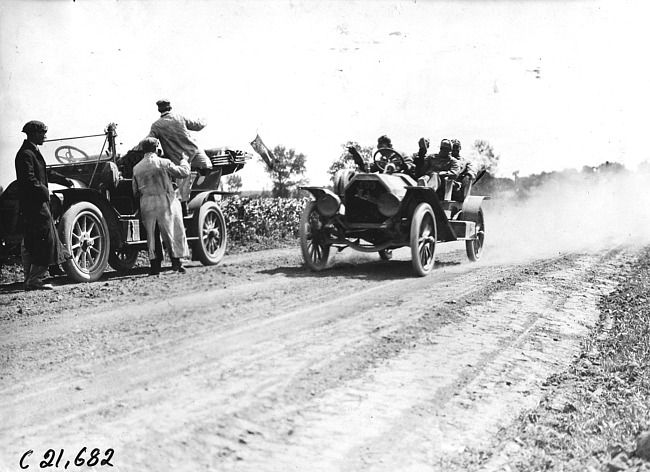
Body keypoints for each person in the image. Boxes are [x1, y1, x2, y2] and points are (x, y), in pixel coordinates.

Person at [15, 120, 73, 290]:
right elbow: (29, 180)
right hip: (35, 205)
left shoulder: (31, 152)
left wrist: (63, 180)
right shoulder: (26, 154)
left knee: (32, 240)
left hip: (34, 204)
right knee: (45, 238)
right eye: (42, 133)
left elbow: (44, 173)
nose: (45, 136)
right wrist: (45, 192)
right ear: (33, 134)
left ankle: (30, 279)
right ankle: (34, 280)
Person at [132, 137, 191, 275]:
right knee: (172, 231)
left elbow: (135, 191)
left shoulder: (136, 168)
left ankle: (155, 267)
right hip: (165, 200)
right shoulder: (164, 162)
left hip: (146, 202)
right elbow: (183, 172)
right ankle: (176, 264)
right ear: (157, 147)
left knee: (152, 235)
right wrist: (184, 160)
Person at [146, 99, 212, 205]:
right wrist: (204, 120)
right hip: (193, 151)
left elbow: (149, 140)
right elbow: (198, 125)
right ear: (170, 107)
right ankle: (198, 188)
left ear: (159, 110)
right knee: (207, 167)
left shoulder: (156, 125)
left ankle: (184, 203)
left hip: (176, 158)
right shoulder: (179, 117)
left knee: (182, 182)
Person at [348, 135, 415, 174]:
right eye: (379, 148)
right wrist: (356, 155)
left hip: (401, 182)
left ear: (390, 146)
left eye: (382, 147)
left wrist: (404, 166)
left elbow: (411, 165)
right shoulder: (381, 161)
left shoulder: (401, 155)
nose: (380, 150)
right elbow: (367, 168)